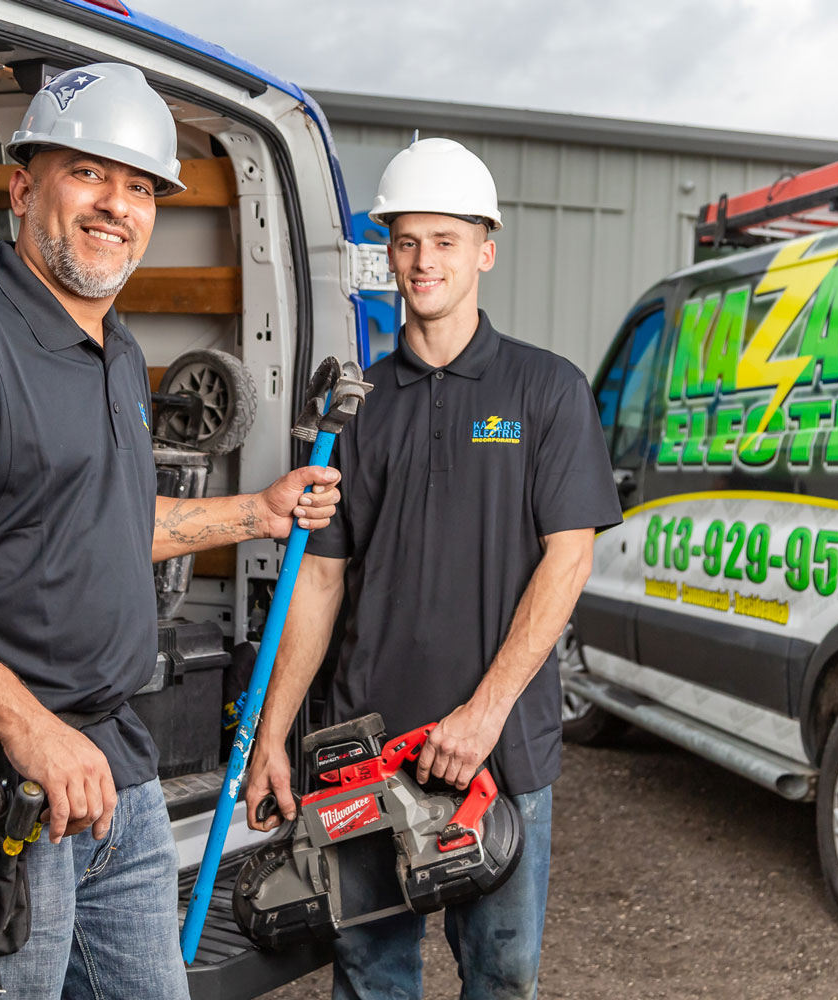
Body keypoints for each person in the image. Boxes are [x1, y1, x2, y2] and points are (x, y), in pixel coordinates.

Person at [0, 62, 340, 999]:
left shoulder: (117, 348)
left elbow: (99, 524)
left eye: (139, 186)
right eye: (89, 173)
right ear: (24, 187)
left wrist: (254, 512)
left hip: (115, 777)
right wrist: (31, 730)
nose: (117, 205)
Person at [244, 137, 622, 1000]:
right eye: (406, 241)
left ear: (485, 249)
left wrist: (484, 716)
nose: (423, 262)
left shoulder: (547, 391)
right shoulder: (354, 411)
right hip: (365, 754)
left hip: (497, 756)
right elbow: (320, 581)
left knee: (502, 978)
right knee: (374, 981)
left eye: (445, 240)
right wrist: (274, 737)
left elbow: (569, 559)